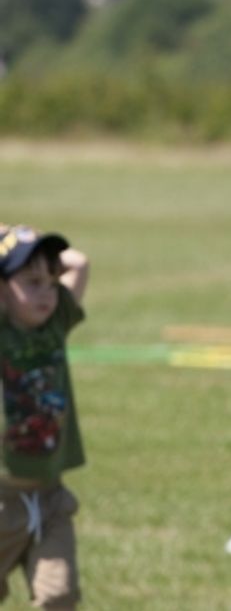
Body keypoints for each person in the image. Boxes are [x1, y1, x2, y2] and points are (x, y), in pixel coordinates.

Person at [0, 224, 91, 610]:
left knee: (59, 596)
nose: (47, 292)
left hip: (50, 496)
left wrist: (22, 240)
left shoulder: (56, 324)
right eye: (32, 281)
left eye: (51, 282)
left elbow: (79, 262)